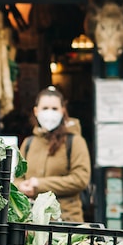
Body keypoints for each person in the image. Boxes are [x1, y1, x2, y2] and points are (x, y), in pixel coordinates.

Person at [17, 85, 92, 223]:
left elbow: (80, 179)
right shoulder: (28, 143)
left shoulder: (75, 141)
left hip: (65, 220)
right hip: (32, 221)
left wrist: (39, 185)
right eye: (45, 108)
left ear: (63, 111)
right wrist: (21, 187)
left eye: (54, 109)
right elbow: (16, 177)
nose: (49, 113)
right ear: (36, 111)